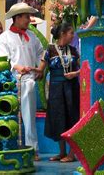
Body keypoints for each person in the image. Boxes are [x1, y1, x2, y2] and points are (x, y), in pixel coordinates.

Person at [0, 2, 44, 161]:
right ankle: (9, 147)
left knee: (29, 117)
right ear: (17, 18)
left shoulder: (32, 36)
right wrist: (16, 66)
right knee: (9, 117)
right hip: (11, 82)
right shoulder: (4, 37)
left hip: (29, 80)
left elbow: (41, 53)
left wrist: (40, 68)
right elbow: (3, 59)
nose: (29, 20)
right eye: (25, 17)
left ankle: (33, 149)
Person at [37, 23, 80, 163]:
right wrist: (32, 71)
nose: (73, 36)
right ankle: (62, 152)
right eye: (71, 33)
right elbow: (41, 69)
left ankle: (72, 153)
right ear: (62, 34)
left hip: (71, 88)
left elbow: (84, 68)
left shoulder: (74, 51)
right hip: (56, 89)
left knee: (72, 118)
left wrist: (75, 74)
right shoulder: (49, 50)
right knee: (58, 118)